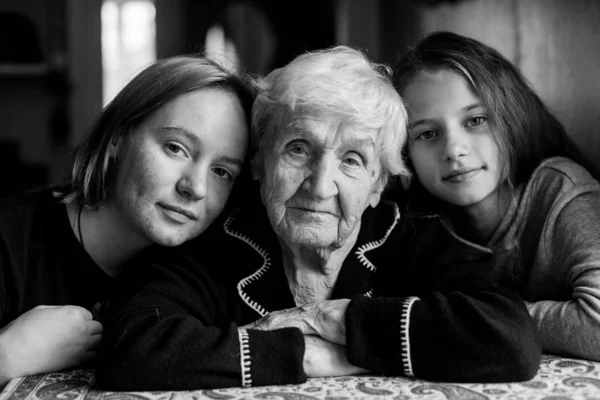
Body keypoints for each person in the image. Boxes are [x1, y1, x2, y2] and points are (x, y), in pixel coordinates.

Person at [96, 45, 540, 391]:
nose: (320, 184)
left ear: (377, 185)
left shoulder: (410, 235)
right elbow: (131, 348)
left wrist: (336, 322)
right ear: (258, 162)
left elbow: (510, 338)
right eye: (298, 149)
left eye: (351, 160)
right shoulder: (217, 237)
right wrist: (307, 357)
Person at [0, 55, 255, 387]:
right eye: (176, 148)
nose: (195, 188)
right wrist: (8, 355)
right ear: (119, 135)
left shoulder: (213, 268)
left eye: (221, 171)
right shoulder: (8, 239)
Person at [391, 31, 600, 361]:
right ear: (404, 152)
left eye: (475, 120)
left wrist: (480, 320)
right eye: (427, 133)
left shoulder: (560, 192)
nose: (454, 150)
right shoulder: (410, 221)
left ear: (509, 118)